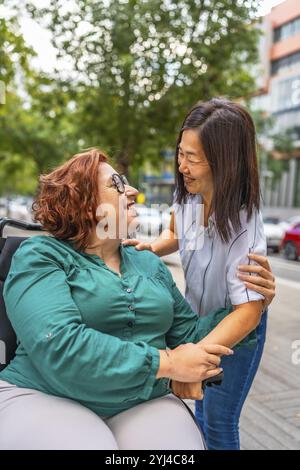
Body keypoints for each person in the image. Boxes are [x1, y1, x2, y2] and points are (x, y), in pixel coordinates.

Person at [0, 148, 238, 450]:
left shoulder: (148, 262)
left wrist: (247, 305)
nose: (133, 191)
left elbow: (189, 336)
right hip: (42, 393)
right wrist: (167, 363)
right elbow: (58, 344)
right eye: (117, 184)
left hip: (137, 398)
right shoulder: (40, 255)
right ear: (84, 204)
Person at [122, 99, 276, 450]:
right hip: (195, 323)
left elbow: (248, 311)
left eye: (193, 158)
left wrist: (192, 358)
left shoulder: (244, 224)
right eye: (180, 154)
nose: (182, 166)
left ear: (224, 161)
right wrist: (152, 248)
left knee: (219, 423)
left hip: (235, 331)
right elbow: (176, 234)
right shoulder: (187, 195)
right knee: (200, 416)